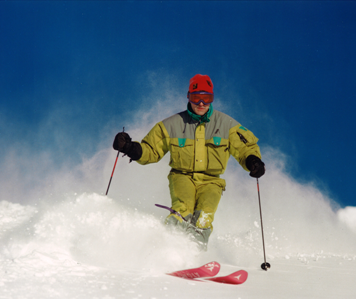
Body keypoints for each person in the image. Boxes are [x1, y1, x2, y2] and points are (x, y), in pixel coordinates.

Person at [112, 74, 265, 250]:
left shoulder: (227, 125)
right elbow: (151, 151)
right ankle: (166, 249)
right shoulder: (171, 125)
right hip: (182, 176)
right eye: (196, 98)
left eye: (206, 98)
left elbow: (245, 148)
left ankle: (194, 254)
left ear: (212, 99)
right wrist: (130, 147)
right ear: (188, 97)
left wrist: (253, 161)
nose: (201, 103)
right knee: (183, 210)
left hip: (211, 181)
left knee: (204, 217)